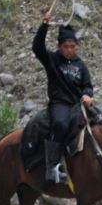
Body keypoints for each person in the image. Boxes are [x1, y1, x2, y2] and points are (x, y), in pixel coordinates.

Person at [32, 12, 94, 188]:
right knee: (60, 124)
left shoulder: (80, 65)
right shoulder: (51, 59)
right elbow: (37, 47)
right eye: (66, 46)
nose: (70, 50)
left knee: (100, 122)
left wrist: (88, 95)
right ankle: (51, 167)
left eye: (73, 46)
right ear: (60, 46)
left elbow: (87, 85)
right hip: (60, 104)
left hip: (78, 104)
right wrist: (44, 25)